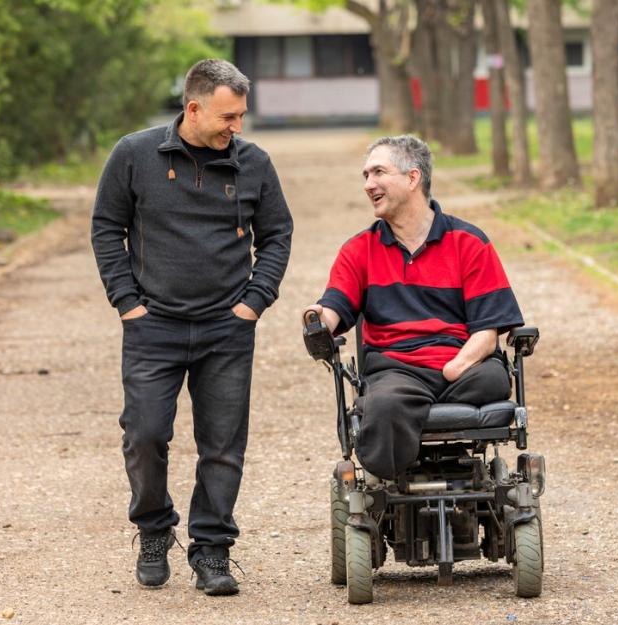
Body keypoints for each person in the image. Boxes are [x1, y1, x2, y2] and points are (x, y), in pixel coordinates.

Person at [91, 59, 293, 595]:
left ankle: (212, 550)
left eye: (242, 116)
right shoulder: (134, 155)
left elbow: (277, 235)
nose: (237, 127)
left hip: (226, 328)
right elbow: (107, 228)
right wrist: (126, 302)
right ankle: (154, 531)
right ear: (194, 107)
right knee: (145, 435)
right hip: (152, 326)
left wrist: (254, 302)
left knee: (223, 445)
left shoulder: (254, 163)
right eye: (229, 116)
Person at [304, 135, 523, 480]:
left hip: (463, 367)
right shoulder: (360, 250)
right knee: (385, 402)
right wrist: (317, 319)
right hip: (398, 370)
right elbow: (335, 305)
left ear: (412, 178)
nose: (368, 185)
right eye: (365, 176)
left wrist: (454, 367)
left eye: (378, 172)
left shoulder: (469, 242)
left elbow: (487, 332)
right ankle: (394, 482)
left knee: (494, 380)